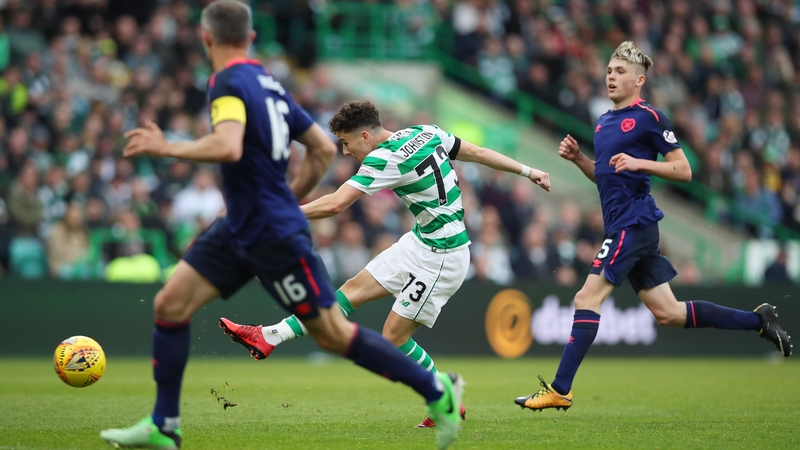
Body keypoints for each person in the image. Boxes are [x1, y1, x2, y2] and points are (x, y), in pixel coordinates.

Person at [99, 3, 464, 450]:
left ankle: (437, 391)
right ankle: (164, 425)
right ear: (251, 39)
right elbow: (320, 150)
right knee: (170, 303)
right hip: (242, 224)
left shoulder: (227, 82)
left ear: (206, 38)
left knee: (332, 333)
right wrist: (288, 200)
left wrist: (168, 145)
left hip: (268, 230)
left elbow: (229, 143)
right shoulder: (270, 83)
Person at [219, 99, 551, 427]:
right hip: (421, 242)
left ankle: (445, 398)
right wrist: (527, 170)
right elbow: (477, 153)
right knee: (349, 292)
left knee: (393, 337)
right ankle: (269, 335)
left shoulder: (383, 159)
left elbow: (336, 204)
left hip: (443, 255)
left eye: (346, 143)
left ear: (364, 136)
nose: (346, 153)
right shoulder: (426, 132)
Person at [514, 41, 792, 413]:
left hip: (634, 221)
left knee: (586, 299)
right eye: (609, 71)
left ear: (639, 80)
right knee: (670, 313)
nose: (611, 77)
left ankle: (561, 389)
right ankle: (759, 320)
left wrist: (642, 164)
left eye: (620, 72)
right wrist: (581, 158)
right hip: (626, 223)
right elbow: (607, 177)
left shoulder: (650, 117)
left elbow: (685, 169)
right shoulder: (602, 122)